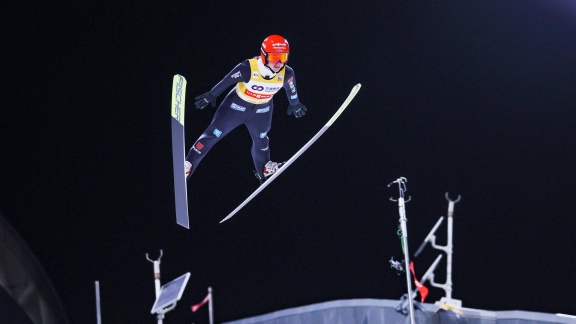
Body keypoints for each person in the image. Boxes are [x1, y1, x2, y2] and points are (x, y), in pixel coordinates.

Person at [185, 35, 307, 184]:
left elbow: (291, 88)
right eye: (275, 57)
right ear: (264, 55)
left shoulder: (287, 73)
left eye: (283, 57)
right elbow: (227, 80)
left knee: (262, 139)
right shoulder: (248, 67)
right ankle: (188, 164)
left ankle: (264, 169)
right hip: (236, 107)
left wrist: (294, 103)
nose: (279, 62)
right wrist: (211, 94)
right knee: (214, 134)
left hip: (262, 110)